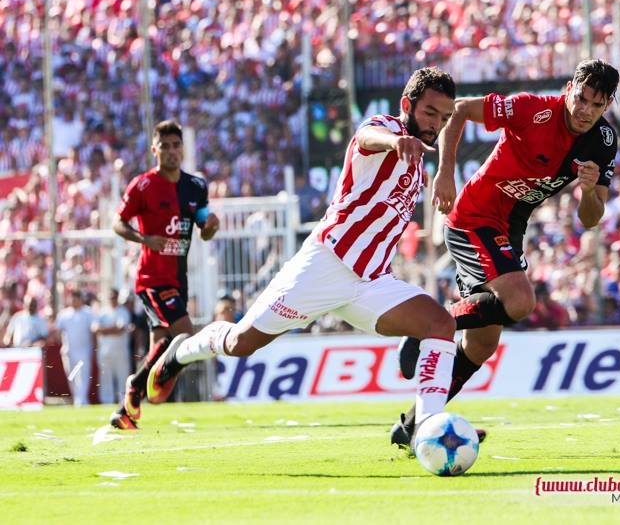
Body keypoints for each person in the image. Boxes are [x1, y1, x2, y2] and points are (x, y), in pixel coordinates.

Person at [145, 68, 459, 439]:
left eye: (443, 117)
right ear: (407, 104)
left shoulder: (419, 163)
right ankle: (181, 353)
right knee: (241, 343)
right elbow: (366, 136)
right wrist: (395, 142)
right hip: (324, 265)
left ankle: (425, 427)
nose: (436, 123)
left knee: (441, 325)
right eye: (429, 112)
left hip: (372, 281)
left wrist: (445, 169)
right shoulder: (385, 128)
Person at [393, 59, 620, 446]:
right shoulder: (533, 109)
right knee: (519, 301)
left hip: (509, 229)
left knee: (481, 344)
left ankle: (414, 425)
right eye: (581, 98)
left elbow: (591, 218)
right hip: (473, 218)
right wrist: (445, 172)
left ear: (607, 104)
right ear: (570, 88)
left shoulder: (603, 141)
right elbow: (460, 110)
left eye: (596, 105)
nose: (585, 110)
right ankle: (428, 327)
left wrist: (587, 190)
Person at [109, 119, 220, 429]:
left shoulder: (196, 186)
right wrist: (144, 239)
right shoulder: (143, 185)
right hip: (152, 279)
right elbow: (117, 223)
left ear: (182, 149)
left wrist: (211, 226)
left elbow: (203, 229)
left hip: (178, 279)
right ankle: (136, 385)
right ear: (154, 150)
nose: (171, 151)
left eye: (176, 145)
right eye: (165, 146)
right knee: (185, 333)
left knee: (159, 351)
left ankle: (124, 412)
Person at [55, 289, 95, 406]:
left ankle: (81, 401)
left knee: (82, 376)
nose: (73, 300)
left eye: (76, 298)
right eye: (72, 298)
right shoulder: (64, 314)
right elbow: (58, 331)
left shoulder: (88, 313)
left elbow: (94, 331)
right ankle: (77, 399)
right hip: (68, 351)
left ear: (81, 299)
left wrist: (94, 348)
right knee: (71, 376)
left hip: (84, 350)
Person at [92, 288, 133, 404]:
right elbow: (95, 328)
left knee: (122, 377)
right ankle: (107, 402)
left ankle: (124, 402)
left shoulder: (123, 312)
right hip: (105, 351)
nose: (112, 299)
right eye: (110, 297)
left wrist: (104, 330)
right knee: (105, 378)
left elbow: (120, 329)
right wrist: (111, 328)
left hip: (120, 351)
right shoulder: (102, 312)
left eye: (114, 297)